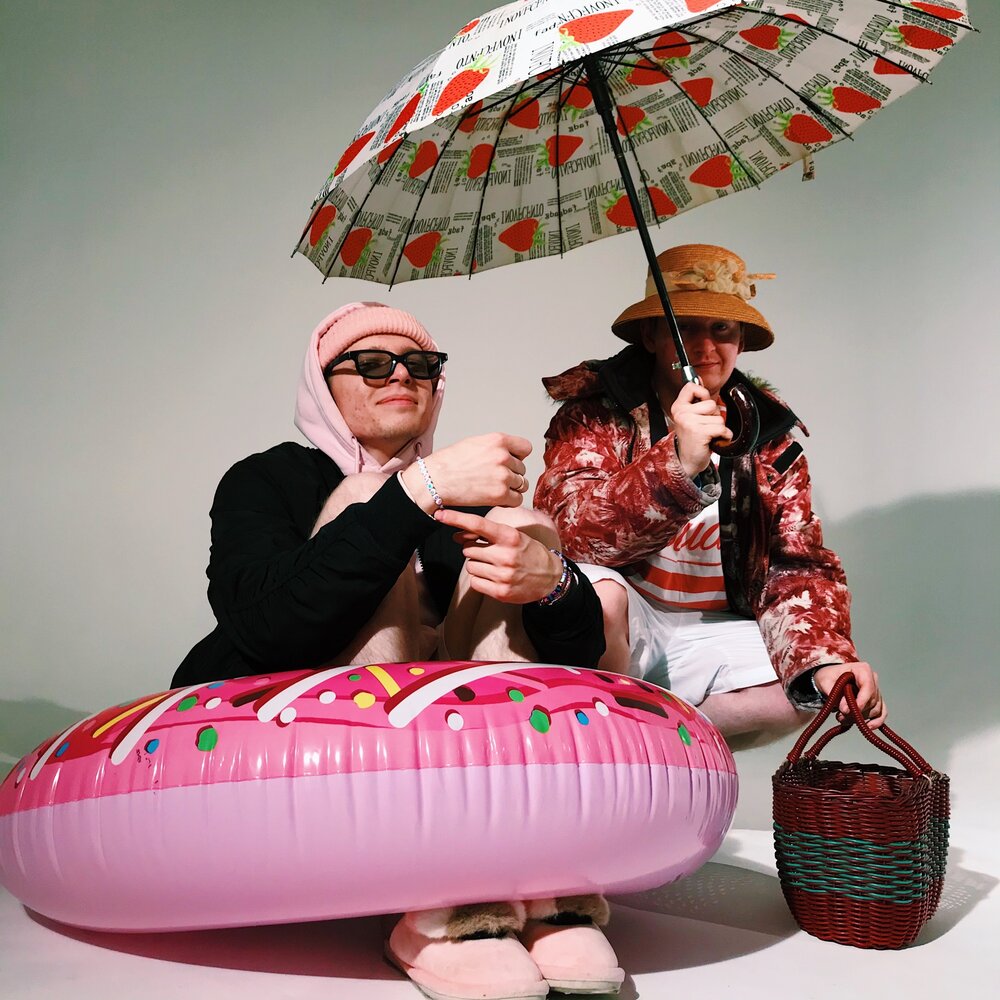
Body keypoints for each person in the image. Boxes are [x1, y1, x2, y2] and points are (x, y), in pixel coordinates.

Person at [173, 301, 624, 1000]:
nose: (401, 376)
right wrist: (416, 491)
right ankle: (441, 910)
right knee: (364, 497)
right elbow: (263, 624)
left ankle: (537, 894)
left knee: (525, 526)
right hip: (301, 742)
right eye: (372, 363)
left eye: (420, 364)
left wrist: (552, 583)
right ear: (323, 384)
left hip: (457, 743)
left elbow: (581, 659)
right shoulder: (267, 478)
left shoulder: (475, 500)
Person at [534, 244, 886, 751]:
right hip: (624, 627)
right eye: (685, 327)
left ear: (740, 340)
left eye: (721, 328)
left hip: (713, 633)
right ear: (652, 336)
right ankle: (618, 734)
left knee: (810, 683)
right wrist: (676, 464)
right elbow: (573, 539)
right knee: (600, 594)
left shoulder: (771, 440)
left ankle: (645, 739)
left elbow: (794, 564)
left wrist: (828, 659)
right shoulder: (594, 414)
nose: (704, 347)